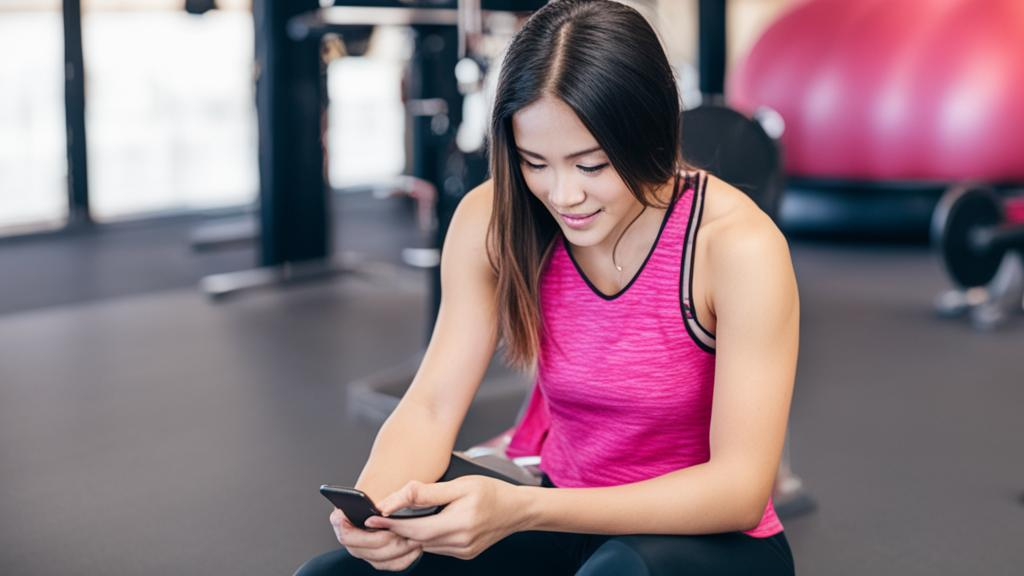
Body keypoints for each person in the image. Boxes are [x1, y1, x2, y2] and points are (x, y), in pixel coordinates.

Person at [295, 0, 798, 573]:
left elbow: (738, 490)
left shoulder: (736, 247)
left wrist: (525, 508)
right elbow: (432, 406)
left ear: (651, 136)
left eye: (591, 166)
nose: (562, 196)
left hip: (710, 539)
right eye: (536, 162)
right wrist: (377, 514)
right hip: (559, 514)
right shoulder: (495, 218)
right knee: (332, 574)